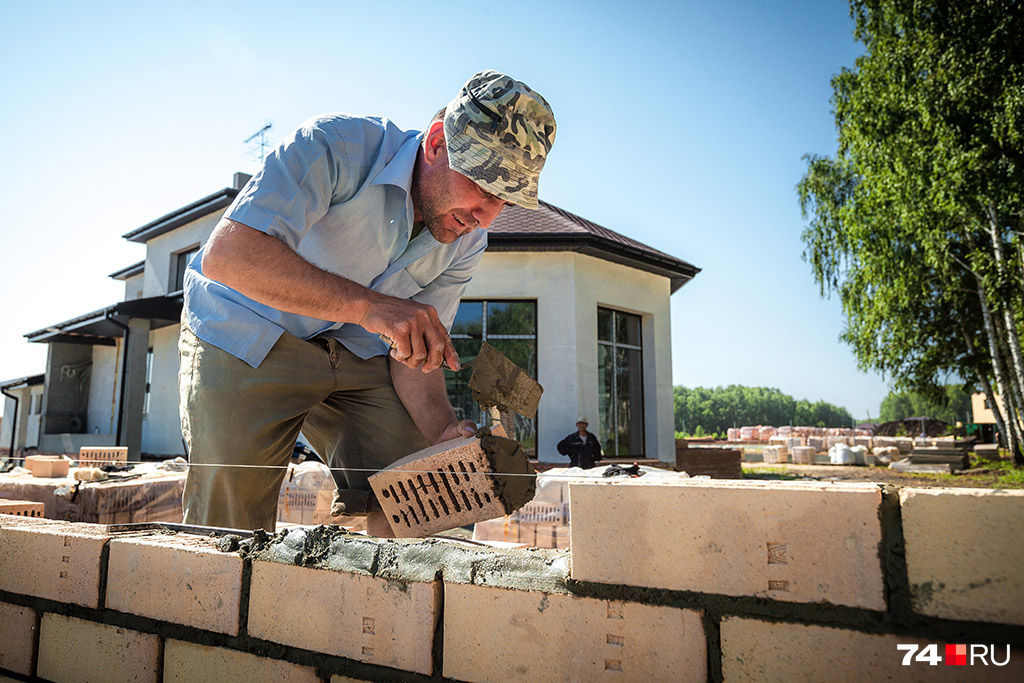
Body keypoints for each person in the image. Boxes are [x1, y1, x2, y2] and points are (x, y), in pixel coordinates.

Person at [178, 70, 556, 534]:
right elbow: (228, 257)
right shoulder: (336, 146)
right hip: (244, 330)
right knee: (228, 522)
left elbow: (414, 355)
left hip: (355, 354)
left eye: (506, 202)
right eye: (484, 187)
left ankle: (380, 601)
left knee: (429, 491)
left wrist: (441, 432)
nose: (486, 217)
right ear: (437, 143)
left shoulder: (466, 239)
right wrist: (369, 307)